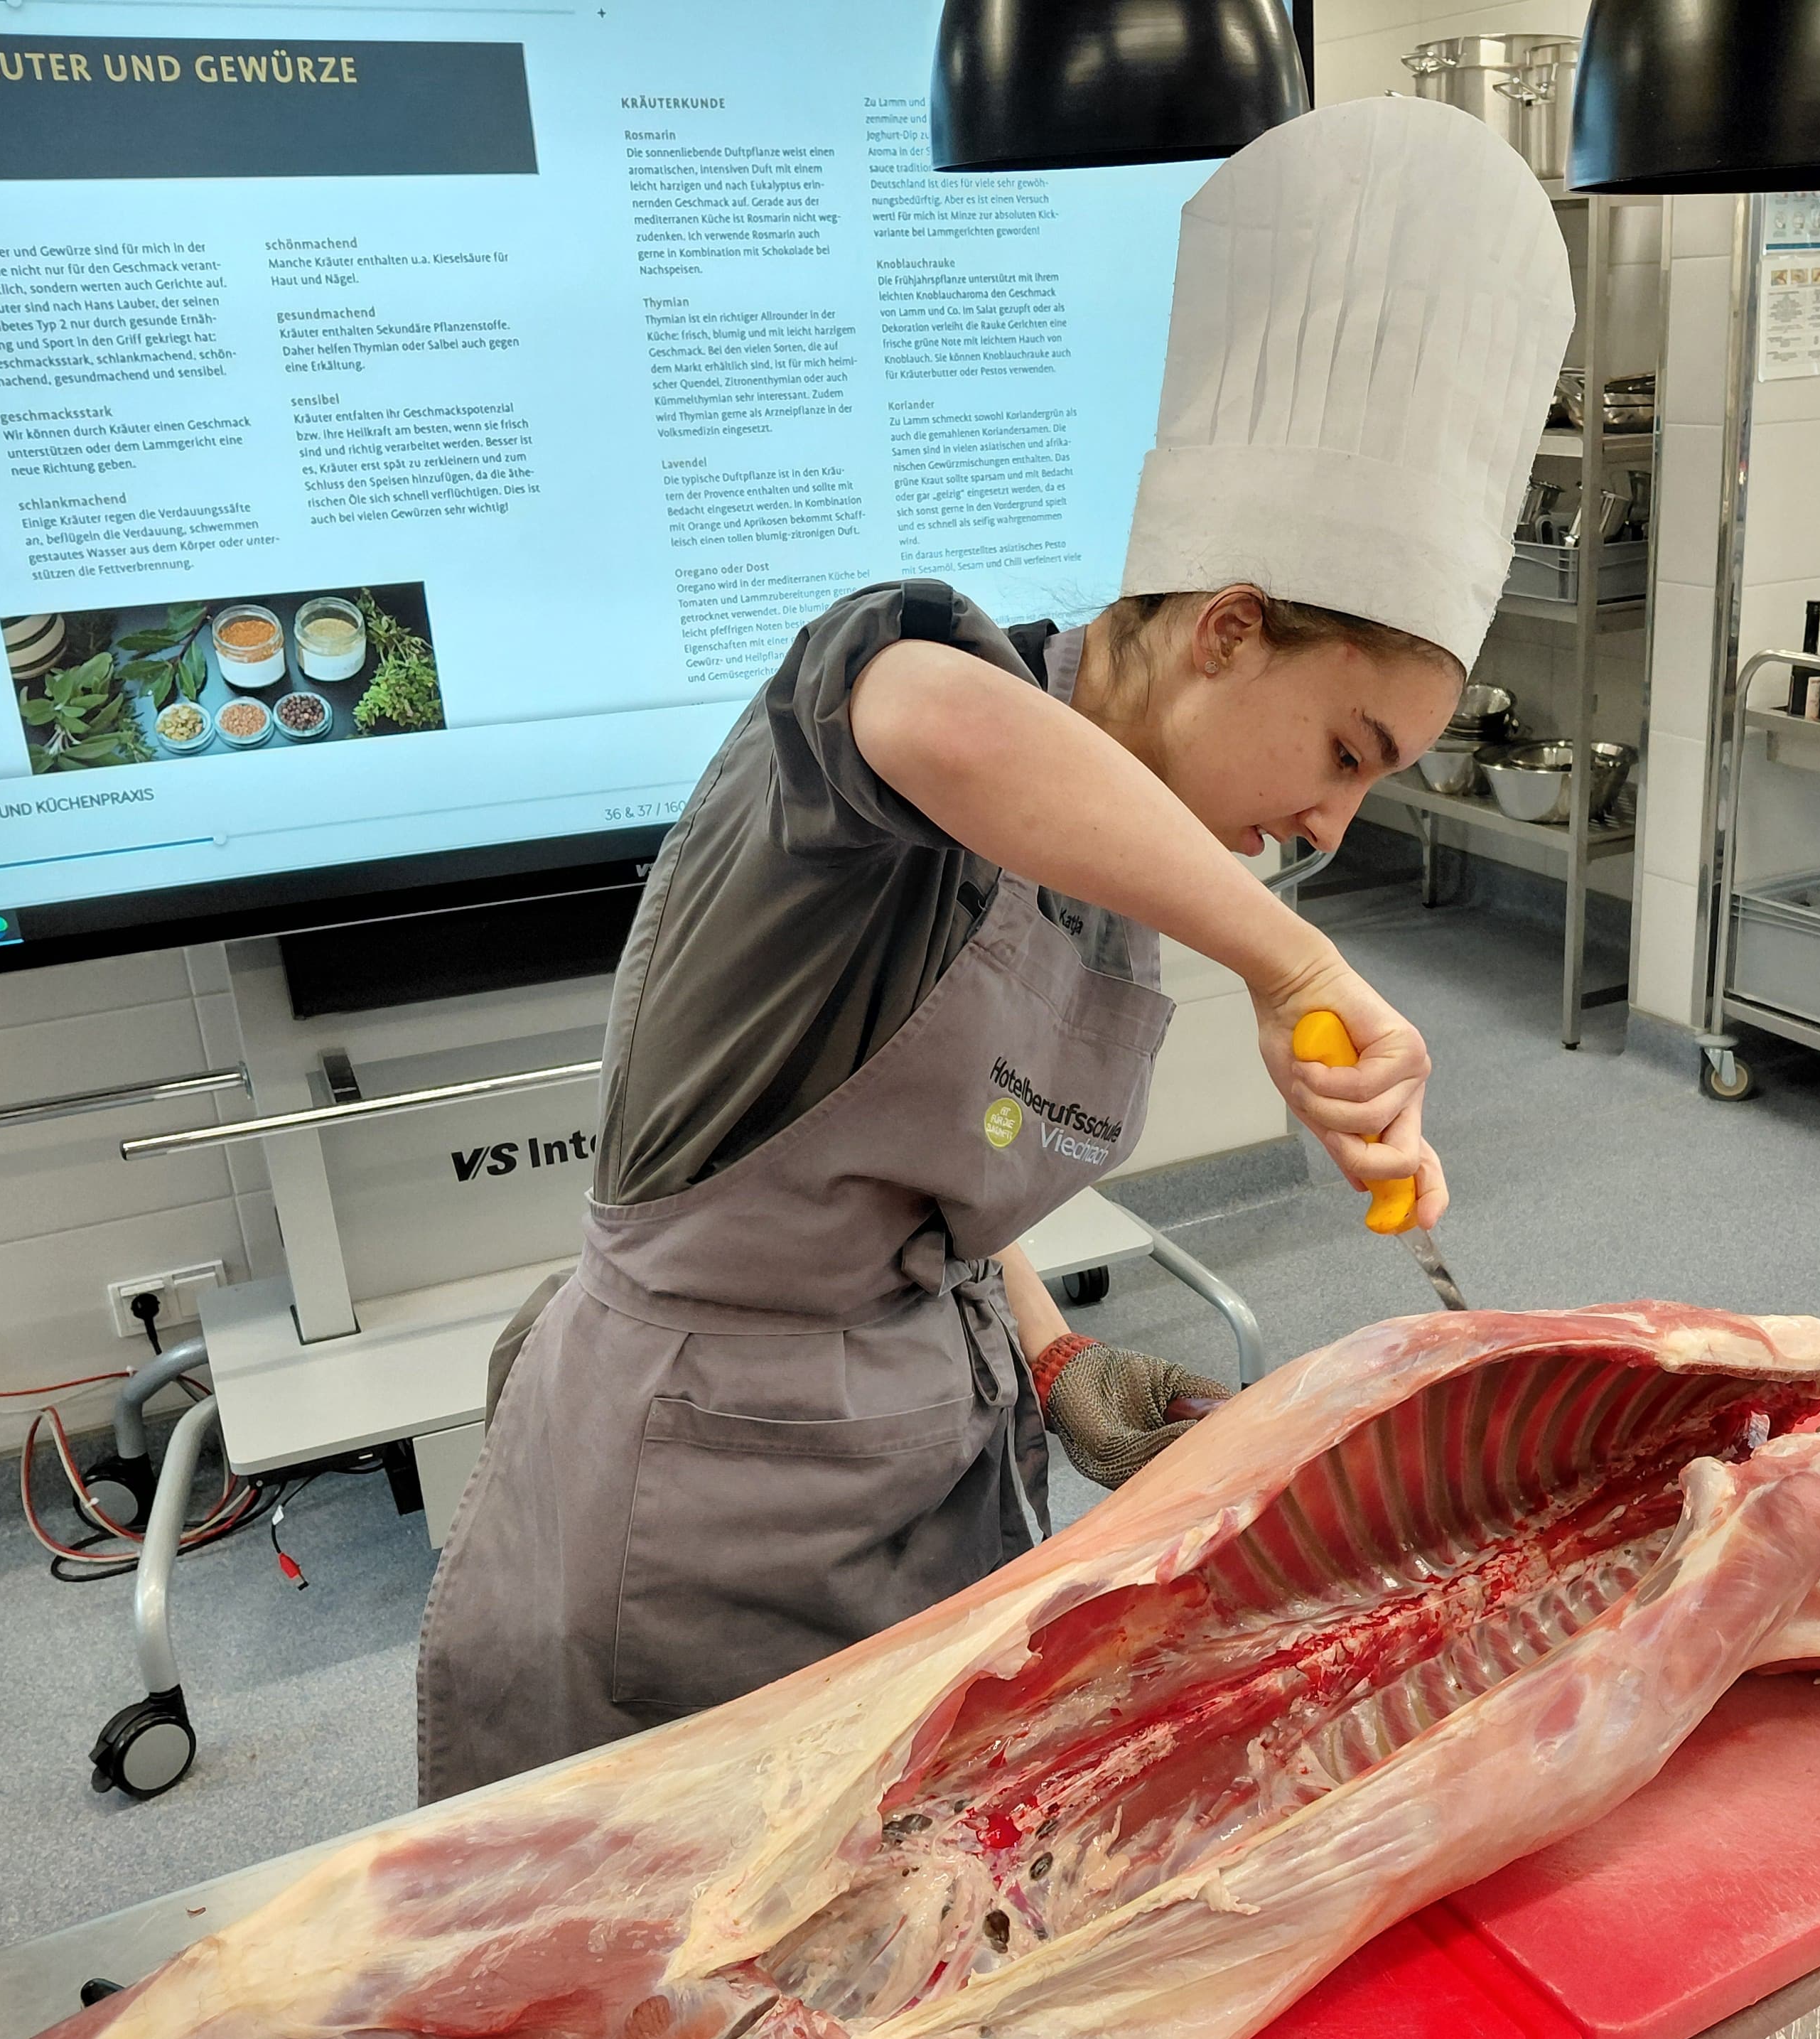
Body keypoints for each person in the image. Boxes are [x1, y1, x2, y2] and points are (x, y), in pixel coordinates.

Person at [416, 99, 1575, 1801]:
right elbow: (930, 721)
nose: (1334, 829)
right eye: (1347, 754)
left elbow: (936, 1172)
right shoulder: (909, 734)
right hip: (699, 1506)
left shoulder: (1119, 859)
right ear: (1224, 629)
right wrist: (1294, 967)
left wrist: (1048, 1351)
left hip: (923, 1467)